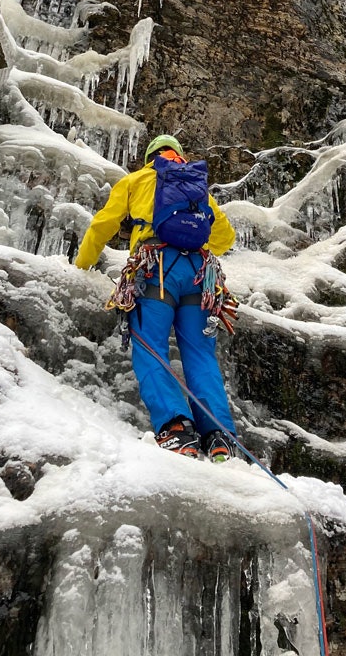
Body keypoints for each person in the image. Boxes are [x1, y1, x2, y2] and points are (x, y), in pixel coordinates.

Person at [75, 133, 238, 461]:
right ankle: (219, 436)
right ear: (178, 155)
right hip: (198, 275)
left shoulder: (135, 180)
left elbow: (103, 225)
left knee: (151, 346)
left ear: (151, 157)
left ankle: (176, 427)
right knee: (201, 355)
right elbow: (225, 238)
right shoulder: (196, 187)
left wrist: (81, 265)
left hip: (155, 269)